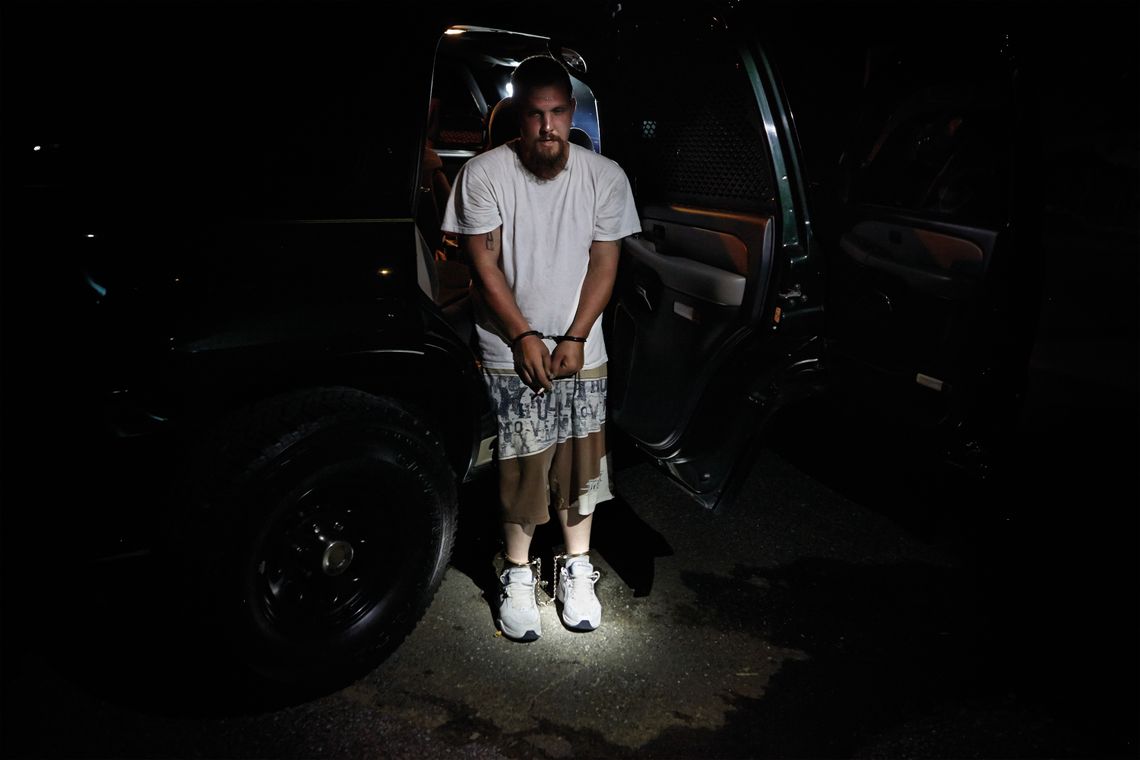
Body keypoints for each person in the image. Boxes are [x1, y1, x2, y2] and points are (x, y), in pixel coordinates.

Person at [440, 55, 640, 641]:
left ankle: (577, 567)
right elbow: (483, 263)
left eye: (557, 113)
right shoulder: (484, 174)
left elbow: (607, 263)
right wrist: (524, 335)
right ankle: (519, 572)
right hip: (510, 347)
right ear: (517, 116)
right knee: (525, 463)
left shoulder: (605, 176)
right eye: (535, 115)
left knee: (581, 465)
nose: (547, 127)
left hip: (583, 344)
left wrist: (576, 335)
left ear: (570, 112)